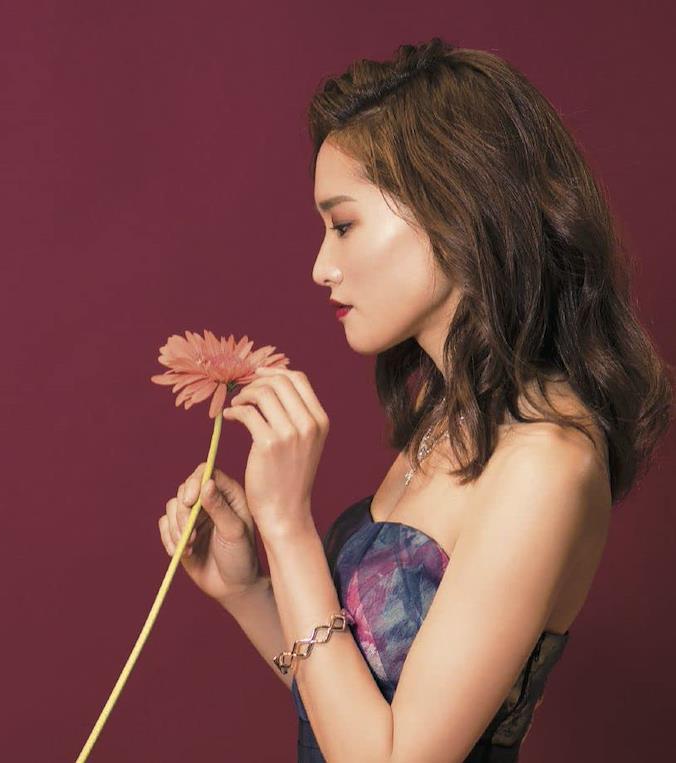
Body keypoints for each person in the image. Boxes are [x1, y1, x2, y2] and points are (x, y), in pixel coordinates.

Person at [158, 37, 673, 762]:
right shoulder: (450, 416)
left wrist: (289, 527)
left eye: (343, 224)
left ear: (455, 209)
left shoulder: (546, 464)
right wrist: (248, 592)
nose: (321, 266)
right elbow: (353, 713)